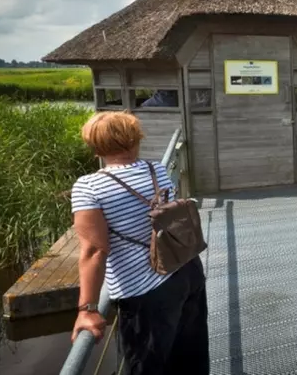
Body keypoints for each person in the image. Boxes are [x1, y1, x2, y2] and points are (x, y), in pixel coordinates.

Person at [70, 111, 209, 374]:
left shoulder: (88, 187)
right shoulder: (155, 169)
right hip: (186, 270)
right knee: (191, 357)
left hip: (146, 290)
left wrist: (87, 309)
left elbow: (94, 250)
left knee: (147, 366)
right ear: (135, 139)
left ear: (95, 146)